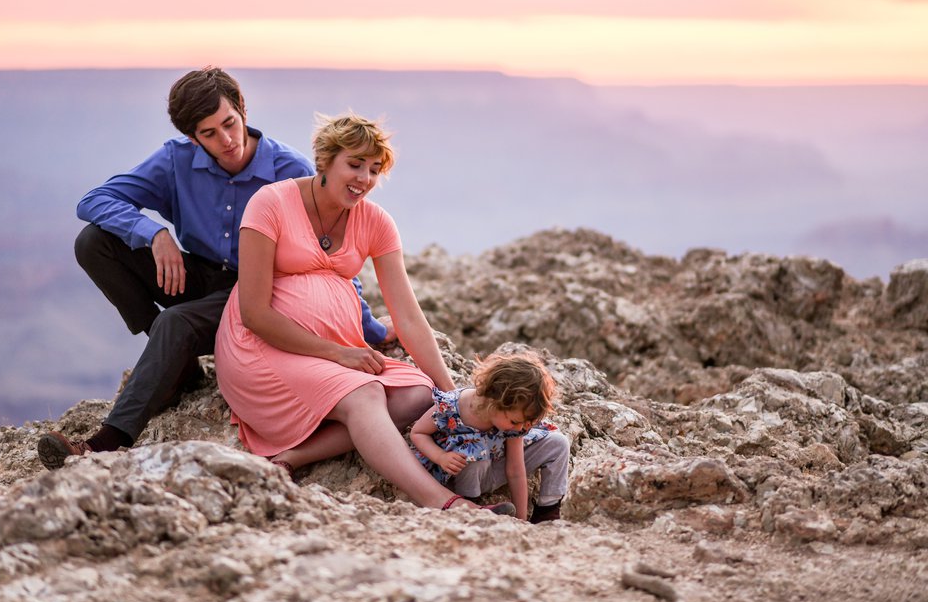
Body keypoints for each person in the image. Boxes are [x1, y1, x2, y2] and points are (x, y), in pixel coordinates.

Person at [37, 67, 392, 470]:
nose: (226, 140)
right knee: (93, 243)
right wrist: (154, 233)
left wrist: (371, 330)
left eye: (230, 123)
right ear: (193, 137)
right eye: (209, 133)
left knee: (176, 323)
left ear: (243, 109)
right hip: (195, 276)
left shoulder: (289, 171)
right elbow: (94, 201)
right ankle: (178, 369)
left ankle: (104, 444)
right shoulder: (176, 160)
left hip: (255, 292)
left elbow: (330, 259)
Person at [214, 112, 516, 515]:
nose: (364, 179)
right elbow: (254, 313)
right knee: (366, 393)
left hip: (332, 356)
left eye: (374, 170)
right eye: (354, 164)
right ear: (325, 160)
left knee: (418, 394)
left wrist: (450, 395)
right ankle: (445, 504)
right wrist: (340, 354)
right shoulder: (270, 203)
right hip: (262, 351)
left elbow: (407, 317)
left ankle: (293, 455)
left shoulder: (375, 222)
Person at [409, 352, 570, 523]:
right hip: (460, 474)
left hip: (494, 468)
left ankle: (548, 509)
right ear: (494, 401)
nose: (520, 428)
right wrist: (440, 457)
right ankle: (470, 507)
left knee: (559, 443)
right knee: (474, 452)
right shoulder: (452, 405)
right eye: (515, 422)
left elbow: (515, 470)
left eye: (524, 424)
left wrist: (521, 520)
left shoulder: (513, 423)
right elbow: (418, 433)